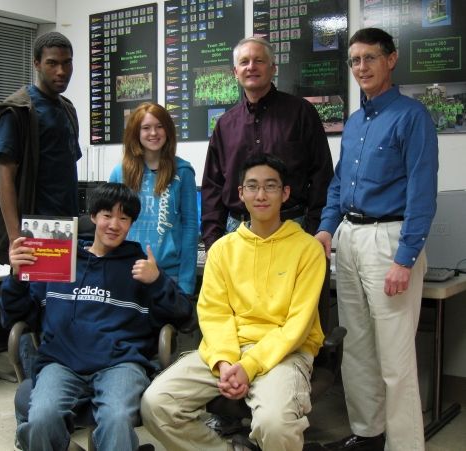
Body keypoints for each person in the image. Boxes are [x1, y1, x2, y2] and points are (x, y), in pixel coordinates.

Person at [141, 154, 326, 451]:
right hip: (226, 350)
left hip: (284, 353)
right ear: (241, 193)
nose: (261, 195)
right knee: (156, 404)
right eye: (252, 186)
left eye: (270, 186)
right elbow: (214, 313)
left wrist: (248, 366)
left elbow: (297, 325)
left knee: (275, 425)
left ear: (285, 193)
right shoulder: (222, 250)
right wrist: (226, 362)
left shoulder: (307, 249)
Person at [0, 183, 193, 451]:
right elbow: (15, 315)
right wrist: (16, 276)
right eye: (107, 215)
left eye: (123, 218)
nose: (114, 224)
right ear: (92, 216)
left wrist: (157, 281)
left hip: (121, 364)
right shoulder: (61, 261)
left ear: (131, 223)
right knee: (42, 419)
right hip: (60, 361)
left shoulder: (140, 267)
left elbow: (184, 317)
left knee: (116, 419)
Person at [315, 28, 438, 451]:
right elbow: (339, 184)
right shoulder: (354, 123)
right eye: (354, 60)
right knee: (357, 347)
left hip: (389, 242)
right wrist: (327, 228)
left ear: (391, 60)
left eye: (370, 58)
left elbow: (422, 192)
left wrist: (405, 259)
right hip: (349, 239)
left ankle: (404, 445)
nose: (361, 67)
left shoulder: (412, 116)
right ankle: (368, 434)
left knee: (395, 357)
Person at [201, 36, 333, 251]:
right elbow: (213, 186)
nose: (251, 67)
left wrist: (314, 229)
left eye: (259, 61)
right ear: (235, 72)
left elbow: (322, 175)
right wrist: (212, 241)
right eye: (244, 62)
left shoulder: (301, 113)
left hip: (292, 228)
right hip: (237, 233)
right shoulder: (225, 124)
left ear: (273, 68)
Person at [0, 31, 81, 264]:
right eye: (52, 63)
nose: (61, 71)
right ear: (37, 64)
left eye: (67, 63)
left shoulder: (68, 110)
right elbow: (4, 178)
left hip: (65, 230)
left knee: (63, 289)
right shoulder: (17, 110)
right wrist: (15, 240)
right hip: (31, 233)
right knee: (30, 289)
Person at [109, 102, 198, 295]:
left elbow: (191, 228)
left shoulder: (183, 172)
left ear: (168, 130)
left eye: (159, 126)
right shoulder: (120, 173)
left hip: (169, 276)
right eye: (146, 128)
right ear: (136, 132)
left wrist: (186, 283)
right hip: (127, 272)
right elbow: (109, 226)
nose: (153, 133)